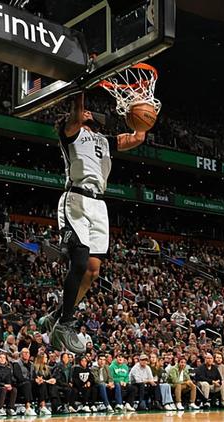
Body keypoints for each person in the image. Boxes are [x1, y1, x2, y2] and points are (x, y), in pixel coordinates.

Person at [46, 93, 148, 353]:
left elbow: (137, 137)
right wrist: (81, 86)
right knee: (79, 261)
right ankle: (65, 323)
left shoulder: (105, 140)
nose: (89, 112)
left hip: (99, 204)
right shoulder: (71, 132)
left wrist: (143, 117)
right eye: (85, 111)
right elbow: (76, 110)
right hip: (76, 199)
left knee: (93, 271)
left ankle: (57, 315)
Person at [0, 352, 18, 416]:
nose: (2, 359)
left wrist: (9, 385)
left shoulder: (8, 369)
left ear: (6, 360)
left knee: (14, 389)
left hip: (5, 385)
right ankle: (0, 408)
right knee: (3, 389)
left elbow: (9, 379)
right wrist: (3, 385)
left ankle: (10, 408)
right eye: (0, 357)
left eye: (4, 358)